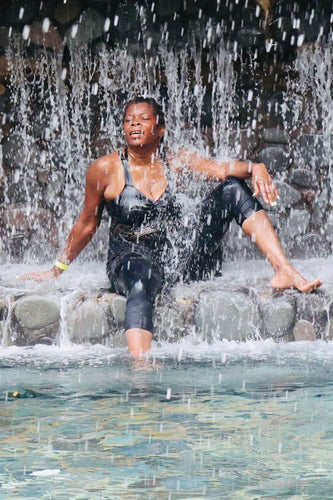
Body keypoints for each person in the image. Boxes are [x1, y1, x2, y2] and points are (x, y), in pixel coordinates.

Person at [19, 96, 322, 356]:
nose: (134, 125)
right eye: (128, 120)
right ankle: (141, 367)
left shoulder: (175, 160)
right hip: (131, 256)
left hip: (177, 257)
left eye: (143, 119)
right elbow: (87, 224)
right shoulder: (105, 169)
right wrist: (57, 268)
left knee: (232, 188)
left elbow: (223, 169)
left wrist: (257, 167)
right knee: (139, 285)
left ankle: (283, 269)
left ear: (160, 129)